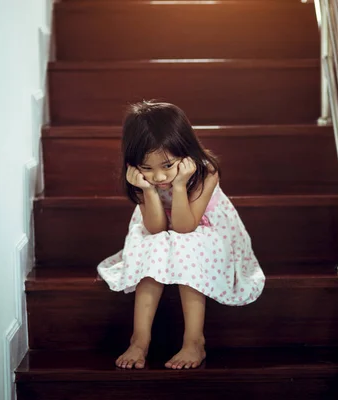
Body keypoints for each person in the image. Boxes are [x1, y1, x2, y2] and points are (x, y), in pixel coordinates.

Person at [97, 101, 266, 370]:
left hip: (204, 228)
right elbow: (155, 228)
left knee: (188, 245)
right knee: (153, 246)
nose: (158, 175)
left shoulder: (206, 171)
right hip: (163, 226)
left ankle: (194, 341)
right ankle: (139, 340)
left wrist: (178, 185)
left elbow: (185, 227)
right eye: (147, 168)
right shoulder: (142, 181)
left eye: (167, 165)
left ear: (185, 152)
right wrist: (149, 191)